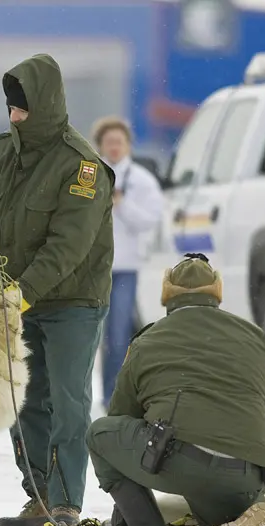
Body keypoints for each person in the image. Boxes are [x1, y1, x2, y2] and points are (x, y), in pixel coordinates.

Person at [85, 253, 265, 526]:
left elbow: (122, 417)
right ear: (217, 291)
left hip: (180, 460)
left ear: (167, 294)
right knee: (215, 525)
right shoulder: (257, 338)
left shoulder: (148, 340)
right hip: (246, 474)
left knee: (99, 433)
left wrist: (128, 507)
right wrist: (257, 469)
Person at [0, 53, 115, 526]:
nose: (14, 117)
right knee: (23, 401)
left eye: (21, 110)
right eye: (10, 109)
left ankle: (65, 503)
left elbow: (68, 247)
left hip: (72, 302)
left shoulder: (81, 166)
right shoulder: (4, 153)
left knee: (68, 402)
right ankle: (37, 495)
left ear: (44, 106)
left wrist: (22, 293)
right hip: (18, 300)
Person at [91, 116, 164, 408]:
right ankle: (91, 394)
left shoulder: (142, 182)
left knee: (119, 335)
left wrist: (121, 203)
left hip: (125, 268)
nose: (114, 148)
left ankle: (112, 396)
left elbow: (150, 220)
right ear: (100, 146)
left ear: (128, 145)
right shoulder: (89, 174)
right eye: (109, 143)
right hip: (95, 268)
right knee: (92, 335)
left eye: (119, 142)